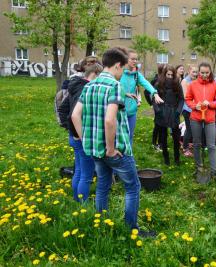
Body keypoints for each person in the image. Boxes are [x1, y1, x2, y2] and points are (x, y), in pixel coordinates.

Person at [71, 48, 155, 236]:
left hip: (94, 149)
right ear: (117, 65)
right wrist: (110, 149)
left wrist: (86, 140)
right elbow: (110, 120)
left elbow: (75, 115)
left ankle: (102, 222)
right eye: (122, 68)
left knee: (103, 185)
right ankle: (131, 228)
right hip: (113, 150)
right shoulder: (115, 86)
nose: (122, 72)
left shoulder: (89, 85)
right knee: (133, 187)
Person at [65, 63, 102, 202]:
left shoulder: (75, 85)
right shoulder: (85, 89)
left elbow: (65, 110)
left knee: (79, 170)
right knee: (86, 175)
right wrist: (83, 138)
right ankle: (82, 204)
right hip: (81, 137)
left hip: (73, 136)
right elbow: (74, 115)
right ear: (95, 75)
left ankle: (77, 199)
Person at [185, 62, 216, 181]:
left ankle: (214, 170)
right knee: (196, 144)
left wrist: (210, 104)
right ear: (199, 72)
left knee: (211, 145)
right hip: (195, 117)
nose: (205, 75)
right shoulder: (192, 85)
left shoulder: (214, 85)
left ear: (210, 72)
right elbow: (188, 99)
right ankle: (199, 167)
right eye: (202, 72)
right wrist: (195, 106)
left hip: (210, 118)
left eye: (207, 72)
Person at [120, 50, 163, 147]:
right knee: (120, 137)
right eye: (132, 59)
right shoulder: (119, 72)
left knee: (130, 136)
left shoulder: (136, 74)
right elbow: (113, 87)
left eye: (136, 59)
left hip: (131, 111)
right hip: (118, 110)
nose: (135, 61)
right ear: (126, 59)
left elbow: (146, 83)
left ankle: (128, 156)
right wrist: (125, 93)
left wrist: (154, 93)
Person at [154, 65, 184, 165]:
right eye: (168, 74)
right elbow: (154, 98)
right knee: (163, 137)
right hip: (162, 112)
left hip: (174, 112)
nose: (170, 76)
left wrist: (178, 111)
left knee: (176, 137)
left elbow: (181, 99)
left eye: (172, 74)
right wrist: (158, 111)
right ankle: (166, 157)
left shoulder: (177, 84)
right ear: (164, 74)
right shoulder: (159, 84)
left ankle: (177, 158)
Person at [181, 65, 198, 157]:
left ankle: (187, 144)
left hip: (195, 108)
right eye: (193, 72)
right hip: (187, 109)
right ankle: (185, 148)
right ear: (189, 71)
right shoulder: (185, 81)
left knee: (194, 128)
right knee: (189, 129)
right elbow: (185, 96)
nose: (195, 74)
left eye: (196, 72)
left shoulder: (195, 81)